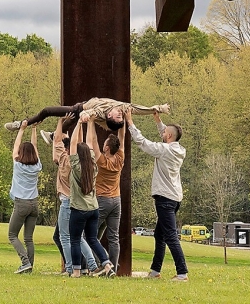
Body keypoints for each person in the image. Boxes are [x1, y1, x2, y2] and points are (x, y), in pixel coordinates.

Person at [129, 110, 188, 281]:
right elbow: (166, 135)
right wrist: (158, 120)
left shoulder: (164, 150)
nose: (162, 133)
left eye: (164, 132)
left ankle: (182, 273)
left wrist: (130, 122)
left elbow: (142, 142)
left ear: (168, 136)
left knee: (170, 236)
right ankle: (155, 271)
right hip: (175, 198)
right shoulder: (178, 149)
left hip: (165, 199)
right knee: (159, 235)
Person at [49, 114, 99, 276]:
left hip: (67, 202)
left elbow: (57, 140)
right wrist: (83, 124)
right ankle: (92, 265)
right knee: (80, 238)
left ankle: (70, 268)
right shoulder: (83, 164)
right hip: (80, 202)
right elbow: (84, 144)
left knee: (65, 237)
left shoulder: (63, 158)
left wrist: (60, 121)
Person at [68, 119, 115, 278]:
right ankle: (107, 265)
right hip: (93, 209)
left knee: (75, 239)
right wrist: (90, 122)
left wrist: (79, 123)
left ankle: (75, 271)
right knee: (93, 239)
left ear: (78, 155)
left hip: (79, 209)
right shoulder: (93, 165)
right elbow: (88, 142)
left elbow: (74, 142)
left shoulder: (76, 166)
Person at [90, 109, 127, 273]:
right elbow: (122, 137)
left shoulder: (102, 161)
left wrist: (90, 122)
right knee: (114, 237)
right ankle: (113, 267)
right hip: (116, 201)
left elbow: (92, 141)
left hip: (103, 200)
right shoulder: (119, 158)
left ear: (106, 148)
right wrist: (122, 120)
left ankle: (103, 264)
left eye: (104, 143)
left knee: (90, 235)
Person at [7, 98, 170, 133]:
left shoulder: (100, 113)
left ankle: (22, 123)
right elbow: (138, 108)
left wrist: (85, 113)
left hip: (79, 109)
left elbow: (92, 112)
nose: (120, 113)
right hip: (81, 111)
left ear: (110, 118)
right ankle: (53, 136)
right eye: (121, 115)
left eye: (118, 116)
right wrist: (157, 108)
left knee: (47, 111)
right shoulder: (122, 107)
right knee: (67, 124)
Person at [8, 120, 41, 274]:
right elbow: (34, 148)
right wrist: (34, 129)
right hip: (34, 204)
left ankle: (25, 262)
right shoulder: (37, 166)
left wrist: (21, 129)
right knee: (28, 238)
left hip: (21, 204)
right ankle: (29, 267)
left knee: (12, 235)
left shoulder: (18, 165)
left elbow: (15, 148)